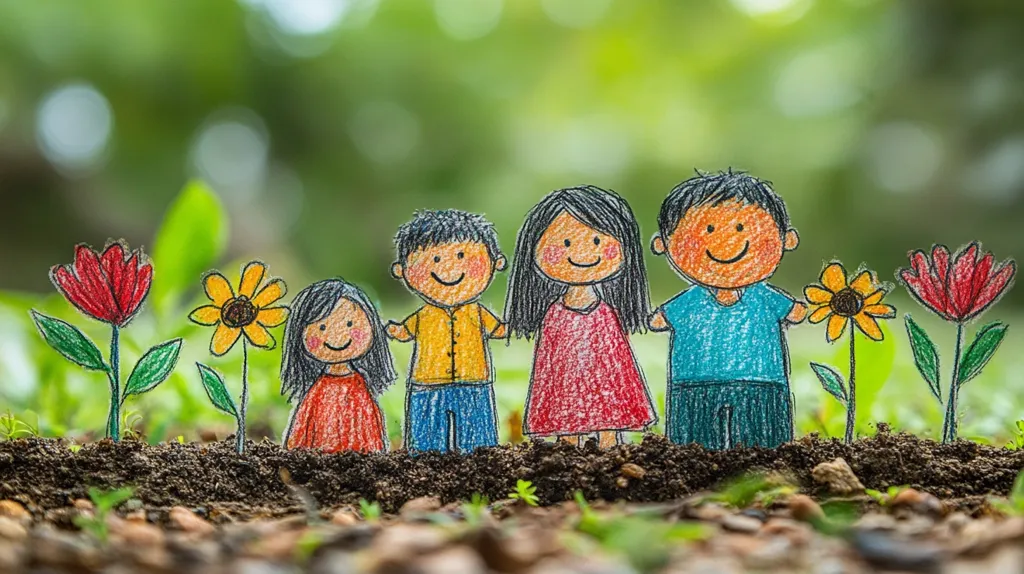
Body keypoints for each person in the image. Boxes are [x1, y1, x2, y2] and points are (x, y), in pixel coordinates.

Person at [649, 170, 807, 450]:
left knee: (765, 443)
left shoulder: (765, 297)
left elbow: (795, 313)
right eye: (708, 230)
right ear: (663, 244)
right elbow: (660, 319)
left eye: (740, 229)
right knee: (693, 445)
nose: (725, 243)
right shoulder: (690, 301)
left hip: (763, 380)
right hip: (693, 381)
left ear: (787, 240)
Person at [505, 185, 656, 448]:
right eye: (565, 243)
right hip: (565, 388)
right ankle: (567, 446)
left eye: (597, 241)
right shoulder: (553, 315)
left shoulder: (609, 313)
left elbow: (619, 368)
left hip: (607, 389)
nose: (583, 253)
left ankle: (610, 445)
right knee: (565, 399)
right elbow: (548, 370)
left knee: (607, 400)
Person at [386, 209, 508, 453]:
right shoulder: (424, 316)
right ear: (401, 270)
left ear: (496, 263)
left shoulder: (477, 313)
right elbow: (404, 331)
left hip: (475, 382)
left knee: (477, 436)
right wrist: (394, 330)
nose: (449, 269)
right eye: (435, 260)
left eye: (462, 256)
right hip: (427, 384)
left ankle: (479, 456)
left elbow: (499, 330)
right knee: (427, 437)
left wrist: (517, 323)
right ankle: (426, 456)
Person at [281, 279, 397, 453]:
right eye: (322, 327)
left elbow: (369, 425)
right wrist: (294, 451)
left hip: (359, 464)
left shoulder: (360, 389)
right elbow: (304, 423)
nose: (336, 338)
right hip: (318, 462)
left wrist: (374, 454)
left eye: (349, 324)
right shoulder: (318, 391)